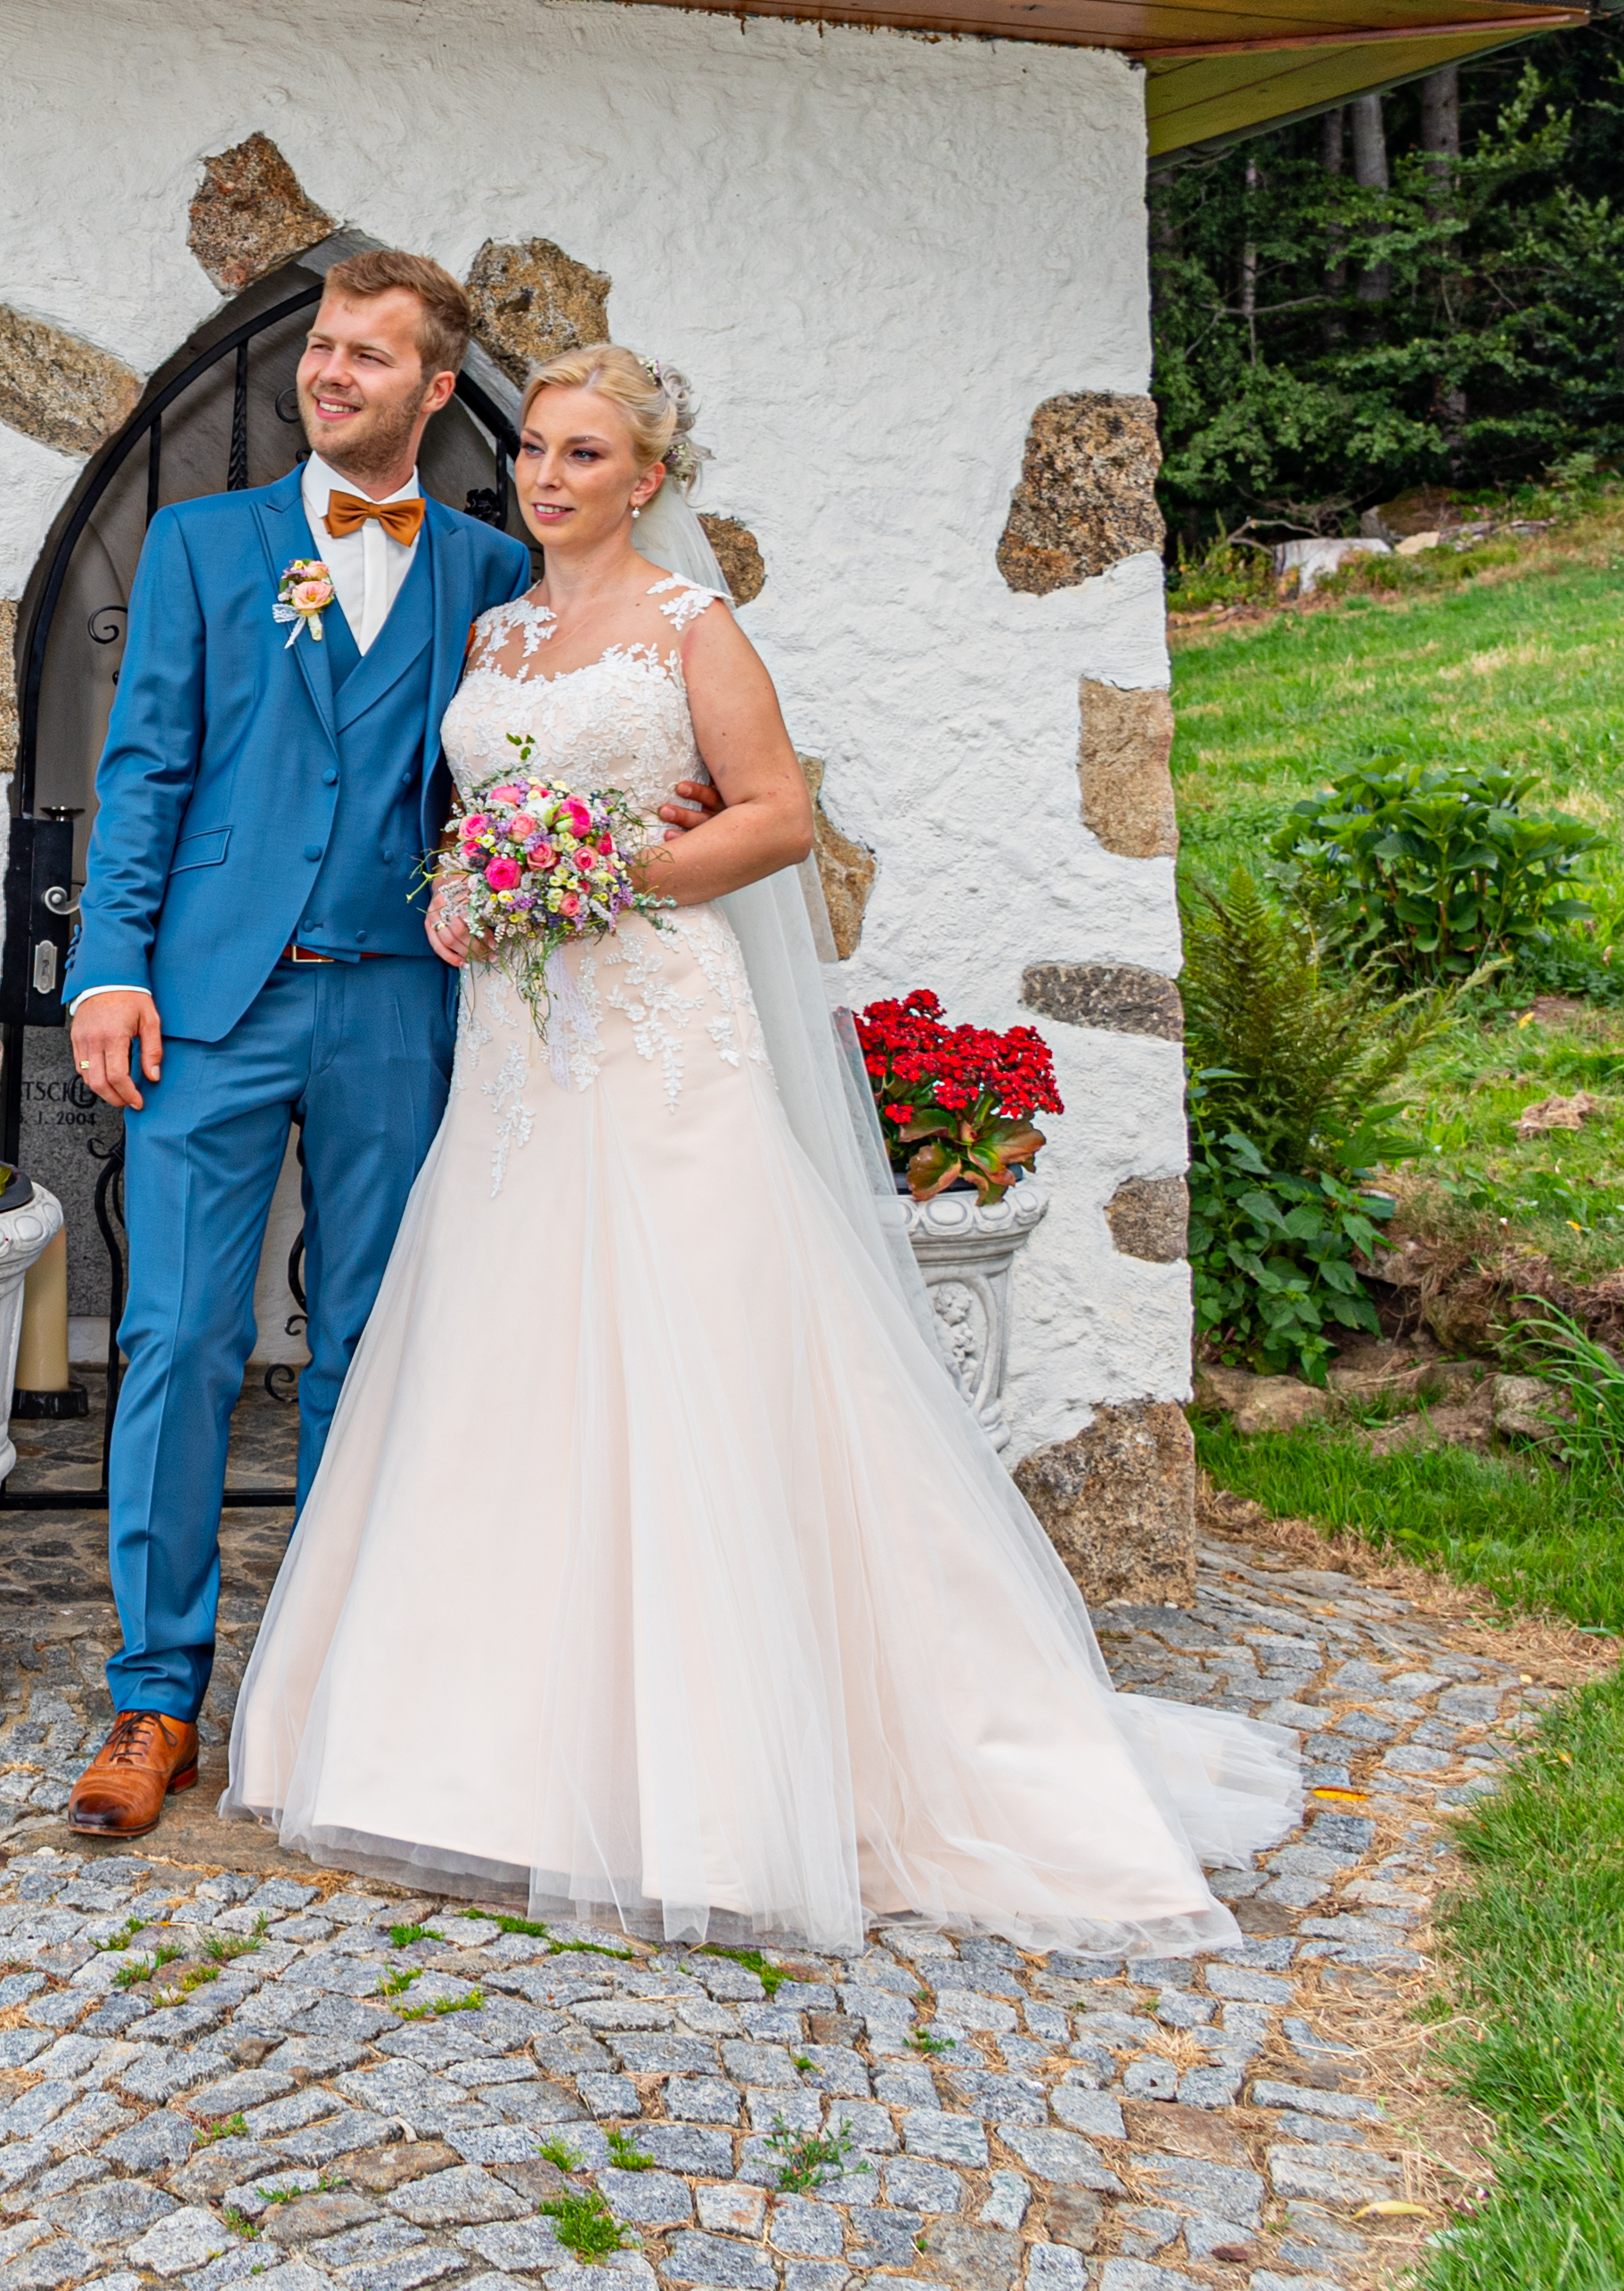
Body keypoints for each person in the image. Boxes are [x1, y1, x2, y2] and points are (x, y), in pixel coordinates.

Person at [218, 340, 1301, 1946]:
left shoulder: (691, 628)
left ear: (649, 481)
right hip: (523, 1044)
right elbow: (475, 811)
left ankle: (732, 1780)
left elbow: (777, 816)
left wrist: (596, 875)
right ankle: (481, 1766)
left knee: (700, 1357)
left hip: (661, 1030)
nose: (551, 476)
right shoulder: (500, 629)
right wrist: (472, 891)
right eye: (538, 452)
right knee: (510, 1361)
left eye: (589, 456)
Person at [50, 249, 545, 1843]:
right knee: (179, 1337)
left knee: (367, 1347)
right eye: (320, 349)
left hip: (405, 999)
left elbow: (529, 775)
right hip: (213, 1001)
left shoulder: (487, 574)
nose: (328, 375)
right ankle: (155, 1695)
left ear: (437, 392)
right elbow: (144, 772)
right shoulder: (203, 547)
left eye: (366, 357)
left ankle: (332, 1678)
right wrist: (111, 966)